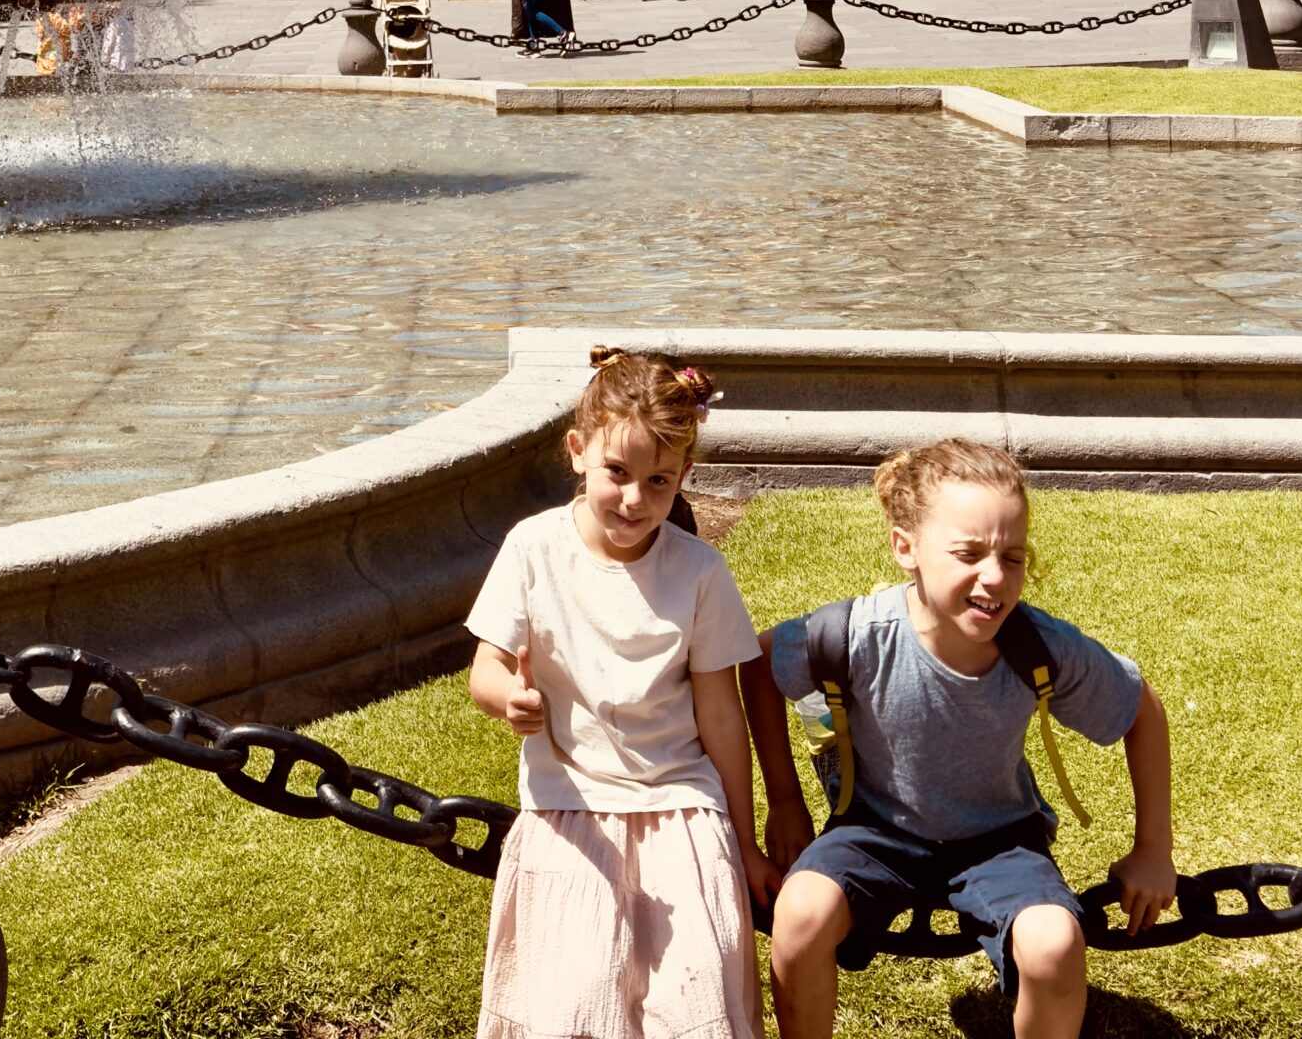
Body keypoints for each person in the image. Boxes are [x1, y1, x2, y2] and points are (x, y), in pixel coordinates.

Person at [746, 439, 1174, 1039]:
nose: (994, 579)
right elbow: (761, 664)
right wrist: (785, 800)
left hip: (1000, 841)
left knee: (1054, 945)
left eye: (1013, 557)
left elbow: (1141, 709)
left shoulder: (1038, 647)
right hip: (872, 830)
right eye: (968, 554)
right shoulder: (857, 636)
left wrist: (1154, 847)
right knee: (798, 916)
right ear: (905, 548)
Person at [468, 348, 774, 1039]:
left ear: (685, 475)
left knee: (693, 1005)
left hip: (680, 806)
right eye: (618, 472)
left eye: (660, 481)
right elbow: (485, 667)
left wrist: (744, 841)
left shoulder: (699, 572)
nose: (636, 499)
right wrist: (505, 700)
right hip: (569, 801)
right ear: (577, 452)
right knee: (573, 1004)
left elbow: (721, 714)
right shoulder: (532, 549)